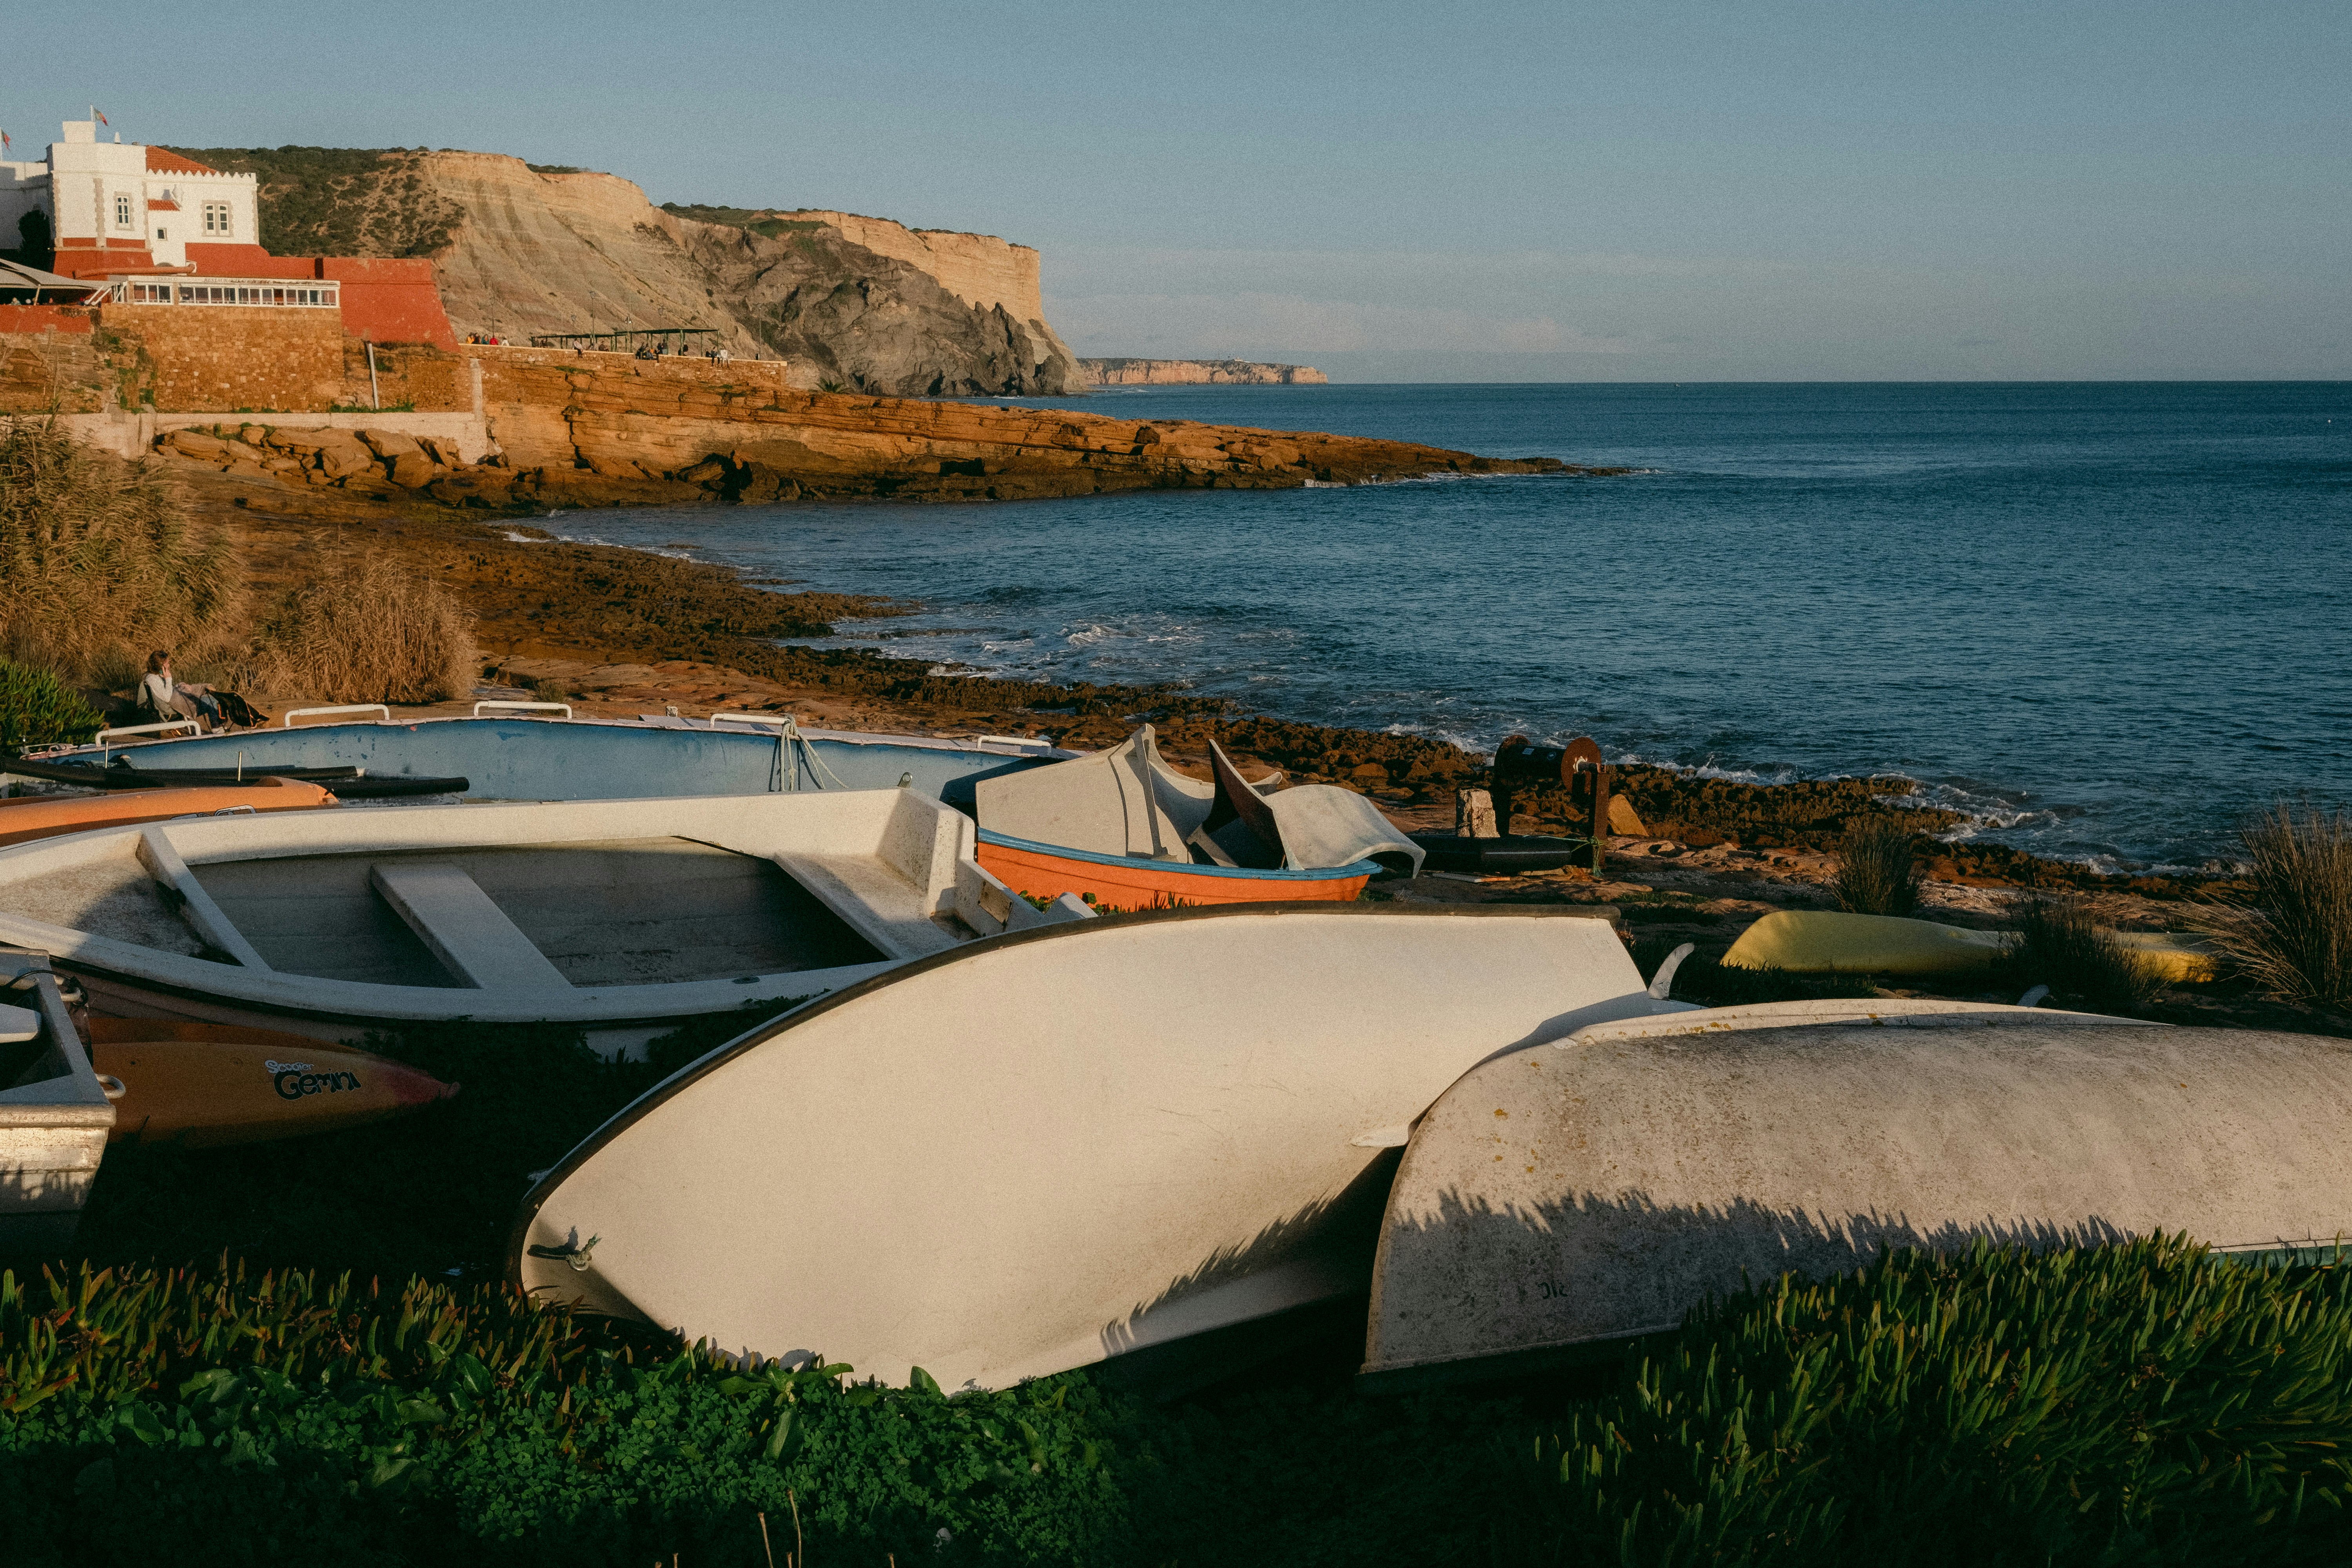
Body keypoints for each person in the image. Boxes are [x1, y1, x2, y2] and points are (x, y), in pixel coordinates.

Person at [139, 651, 221, 730]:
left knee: (205, 695)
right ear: (162, 666)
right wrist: (168, 679)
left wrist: (180, 685)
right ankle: (218, 729)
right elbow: (168, 698)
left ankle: (219, 727)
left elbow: (168, 691)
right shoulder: (153, 679)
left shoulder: (154, 677)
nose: (169, 665)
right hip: (174, 709)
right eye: (168, 663)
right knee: (211, 701)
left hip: (176, 703)